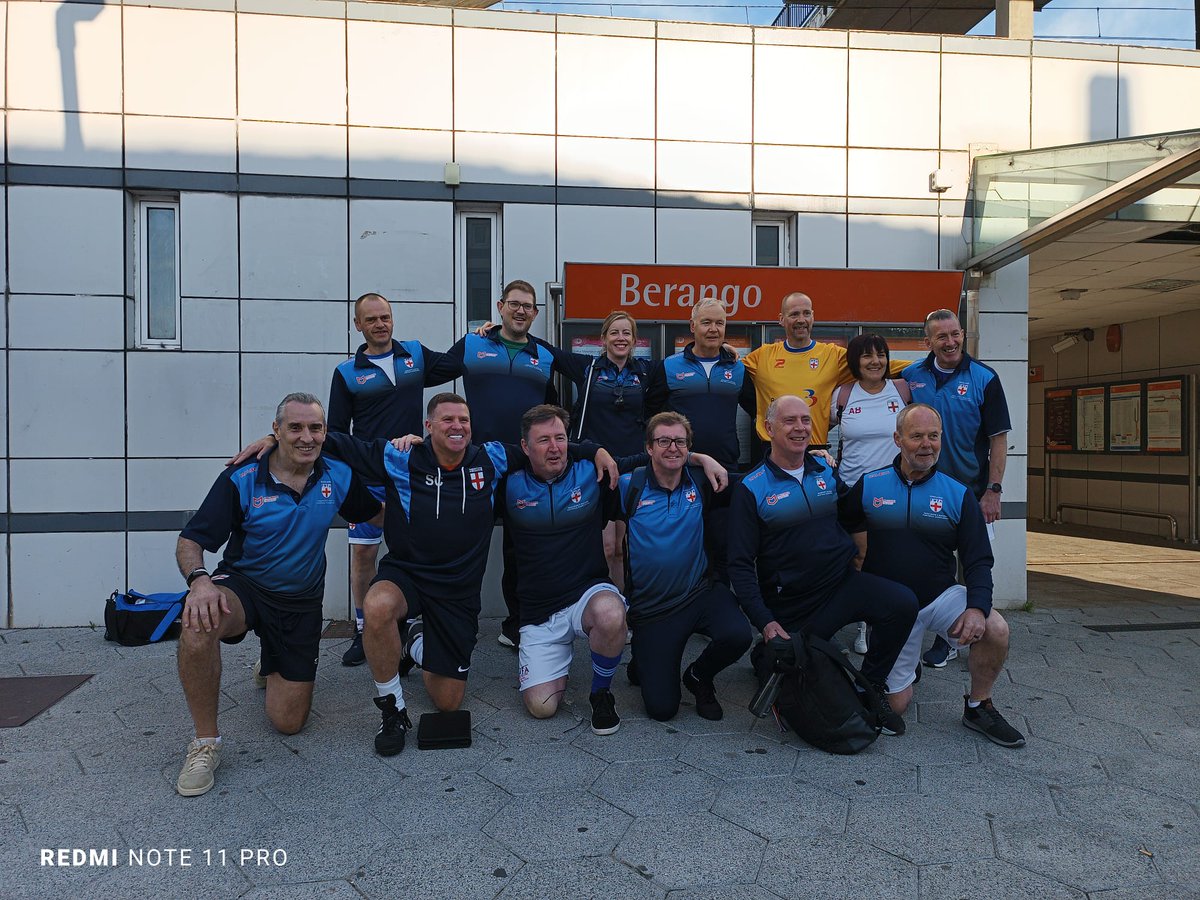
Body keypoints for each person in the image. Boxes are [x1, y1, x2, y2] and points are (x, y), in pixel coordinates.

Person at [232, 393, 617, 756]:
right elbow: (330, 442)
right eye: (447, 419)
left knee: (448, 701)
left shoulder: (494, 458)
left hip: (458, 592)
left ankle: (412, 639)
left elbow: (546, 450)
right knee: (378, 604)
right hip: (408, 575)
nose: (457, 426)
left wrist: (595, 449)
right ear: (428, 425)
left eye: (464, 420)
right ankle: (392, 708)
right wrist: (275, 438)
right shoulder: (399, 456)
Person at [173, 393, 383, 796]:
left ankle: (270, 661)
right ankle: (204, 743)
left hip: (300, 602)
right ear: (276, 431)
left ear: (326, 433)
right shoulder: (243, 476)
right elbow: (190, 540)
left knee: (289, 722)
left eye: (315, 428)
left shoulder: (338, 475)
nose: (307, 437)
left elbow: (375, 513)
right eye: (295, 428)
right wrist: (199, 581)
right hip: (245, 585)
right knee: (198, 621)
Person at [502, 404, 727, 735]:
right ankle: (553, 666)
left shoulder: (590, 474)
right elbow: (463, 461)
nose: (554, 448)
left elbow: (657, 457)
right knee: (541, 707)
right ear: (524, 447)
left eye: (561, 438)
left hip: (586, 593)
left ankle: (601, 693)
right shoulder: (507, 484)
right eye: (543, 440)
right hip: (538, 610)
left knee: (611, 614)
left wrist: (702, 458)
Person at [726, 395, 917, 735]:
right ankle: (765, 655)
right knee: (792, 672)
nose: (800, 427)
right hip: (793, 603)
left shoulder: (825, 471)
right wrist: (766, 623)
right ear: (769, 428)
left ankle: (869, 687)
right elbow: (740, 565)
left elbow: (854, 512)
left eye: (805, 419)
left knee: (902, 603)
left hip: (841, 585)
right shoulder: (751, 488)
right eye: (790, 421)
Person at [840, 404, 1025, 747]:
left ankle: (977, 706)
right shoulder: (870, 485)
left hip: (939, 597)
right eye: (916, 436)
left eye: (933, 436)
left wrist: (976, 607)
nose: (926, 444)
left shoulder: (958, 494)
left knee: (995, 628)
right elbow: (843, 522)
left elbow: (979, 560)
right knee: (896, 704)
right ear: (898, 439)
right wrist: (857, 555)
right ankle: (908, 669)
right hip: (893, 610)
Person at [439, 280, 569, 650]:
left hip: (524, 468)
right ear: (500, 307)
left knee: (519, 549)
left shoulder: (544, 355)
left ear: (536, 313)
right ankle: (458, 623)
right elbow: (426, 373)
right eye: (514, 304)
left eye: (528, 306)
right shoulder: (473, 344)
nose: (521, 310)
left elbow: (556, 408)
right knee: (467, 545)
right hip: (478, 464)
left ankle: (517, 624)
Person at [327, 292, 453, 668]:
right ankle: (363, 629)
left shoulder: (414, 354)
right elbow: (335, 433)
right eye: (372, 319)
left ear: (393, 319)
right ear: (358, 325)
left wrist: (482, 334)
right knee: (364, 554)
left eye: (385, 317)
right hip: (367, 480)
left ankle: (412, 622)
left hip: (411, 478)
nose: (380, 324)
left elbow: (457, 364)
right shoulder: (347, 372)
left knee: (416, 551)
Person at [618, 412, 751, 721]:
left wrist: (809, 457)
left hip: (699, 593)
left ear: (688, 447)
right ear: (649, 447)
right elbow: (600, 469)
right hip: (653, 608)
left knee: (738, 634)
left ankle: (699, 676)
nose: (672, 448)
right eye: (663, 441)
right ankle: (644, 656)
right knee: (662, 709)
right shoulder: (630, 485)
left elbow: (757, 481)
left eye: (680, 441)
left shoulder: (703, 481)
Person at [903, 309, 1011, 670]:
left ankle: (968, 635)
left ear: (962, 334)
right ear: (928, 341)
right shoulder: (911, 376)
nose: (949, 342)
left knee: (973, 565)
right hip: (923, 489)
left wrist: (993, 490)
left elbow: (998, 440)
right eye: (941, 337)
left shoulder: (985, 378)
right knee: (931, 561)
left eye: (954, 334)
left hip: (971, 492)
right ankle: (941, 631)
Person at [556, 310, 653, 589]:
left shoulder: (646, 372)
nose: (620, 338)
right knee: (604, 548)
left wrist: (725, 350)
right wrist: (495, 330)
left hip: (631, 467)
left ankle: (621, 611)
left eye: (626, 333)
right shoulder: (587, 368)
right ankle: (596, 608)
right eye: (614, 332)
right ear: (603, 339)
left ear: (634, 340)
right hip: (593, 467)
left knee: (623, 549)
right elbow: (545, 350)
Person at [828, 333, 912, 654]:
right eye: (867, 356)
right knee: (859, 557)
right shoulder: (843, 395)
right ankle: (862, 620)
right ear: (855, 361)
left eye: (881, 355)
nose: (875, 361)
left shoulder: (903, 390)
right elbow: (822, 433)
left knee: (889, 558)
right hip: (852, 491)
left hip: (894, 490)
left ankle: (881, 620)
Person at [742, 292, 907, 450]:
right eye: (794, 314)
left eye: (806, 313)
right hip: (771, 450)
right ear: (781, 319)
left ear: (813, 317)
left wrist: (928, 363)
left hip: (814, 450)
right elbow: (728, 368)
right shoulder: (762, 356)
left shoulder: (833, 356)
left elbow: (877, 365)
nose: (801, 320)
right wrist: (725, 350)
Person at [643, 298, 755, 469]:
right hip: (680, 466)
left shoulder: (737, 368)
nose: (713, 329)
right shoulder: (669, 366)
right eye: (706, 322)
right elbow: (649, 416)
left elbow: (757, 412)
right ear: (692, 326)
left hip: (726, 466)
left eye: (719, 323)